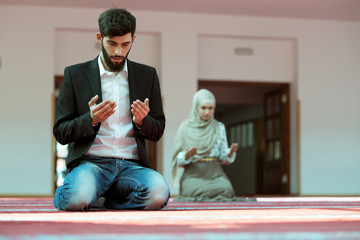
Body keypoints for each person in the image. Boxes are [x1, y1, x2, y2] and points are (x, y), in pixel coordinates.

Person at [53, 8, 170, 211]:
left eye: (125, 45)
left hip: (131, 167)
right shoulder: (75, 74)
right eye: (112, 44)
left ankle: (108, 201)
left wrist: (143, 121)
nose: (118, 52)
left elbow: (158, 129)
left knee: (158, 194)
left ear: (133, 39)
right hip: (91, 165)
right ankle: (77, 191)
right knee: (76, 199)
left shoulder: (147, 76)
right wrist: (89, 119)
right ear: (100, 37)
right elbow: (60, 132)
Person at [172, 89, 245, 202]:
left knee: (226, 189)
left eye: (210, 108)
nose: (207, 112)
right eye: (203, 108)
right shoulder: (185, 128)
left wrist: (229, 153)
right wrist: (186, 156)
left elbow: (221, 157)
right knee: (193, 191)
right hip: (193, 174)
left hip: (215, 174)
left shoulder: (218, 127)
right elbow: (177, 160)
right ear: (196, 107)